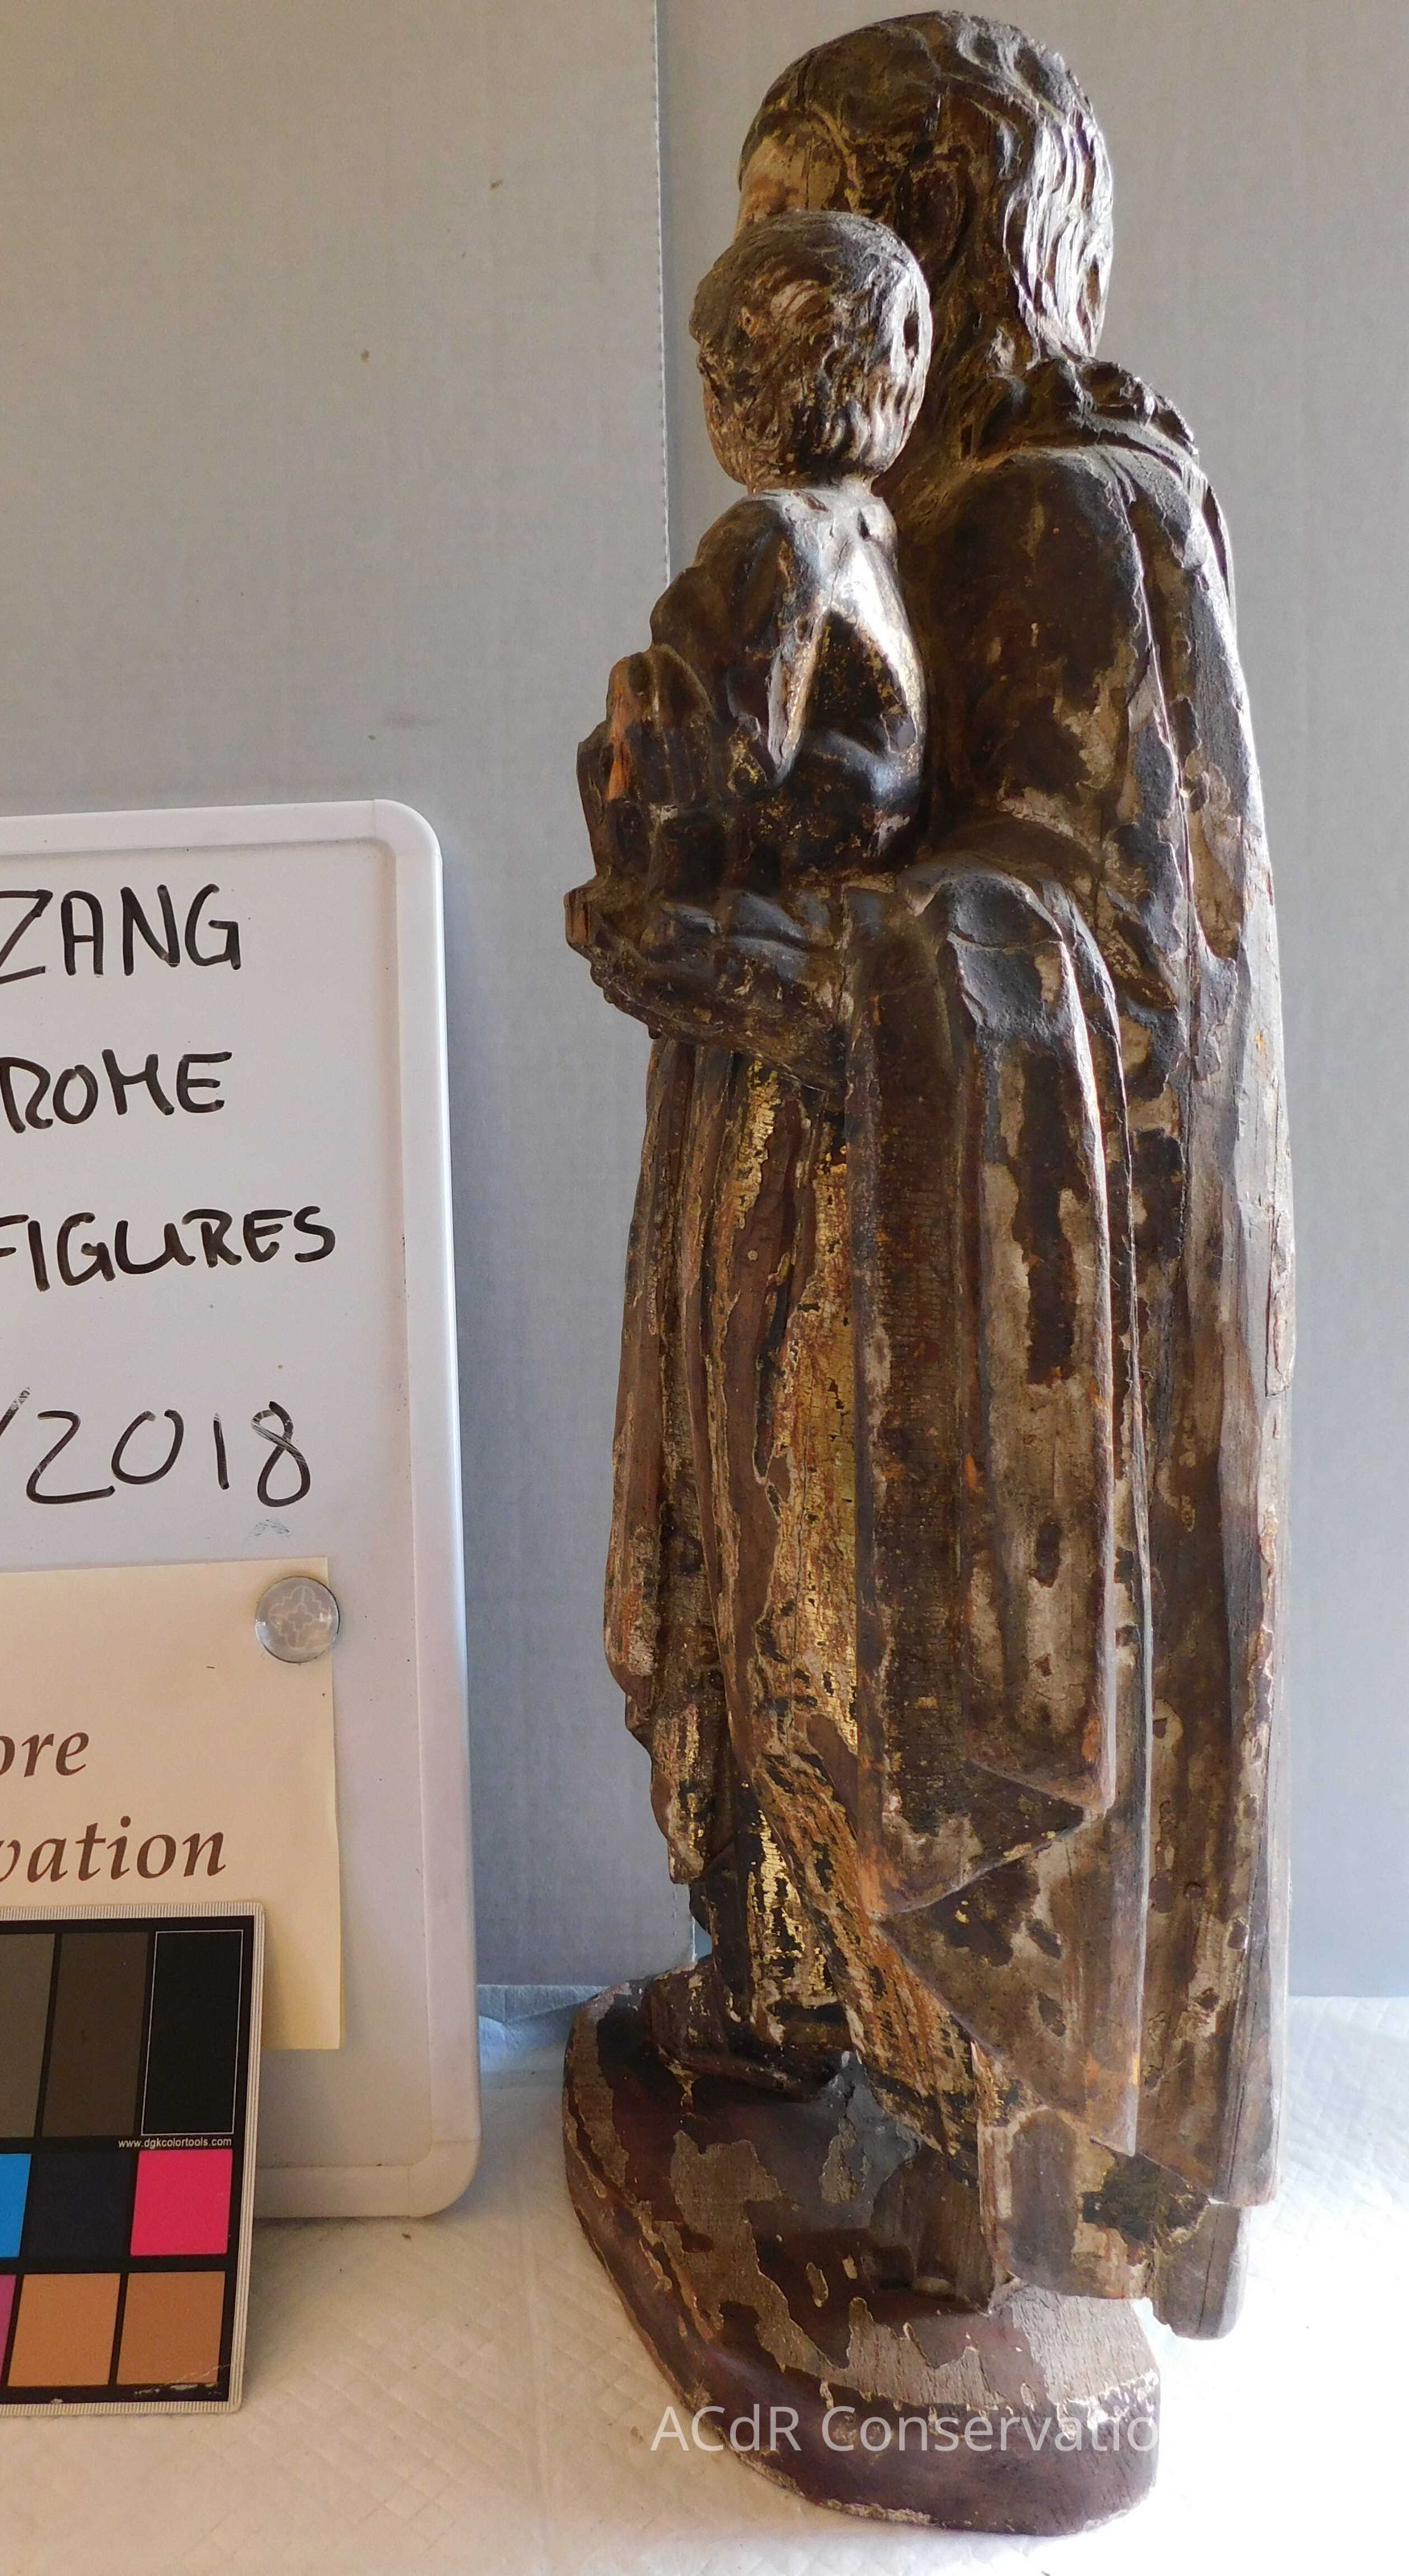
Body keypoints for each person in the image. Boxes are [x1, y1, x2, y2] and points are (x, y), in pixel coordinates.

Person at [568, 10, 1290, 2339]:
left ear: (948, 240)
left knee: (881, 1665)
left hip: (973, 1271)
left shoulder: (1062, 513)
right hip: (825, 1176)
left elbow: (1107, 951)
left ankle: (965, 2163)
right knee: (771, 1611)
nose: (779, 312)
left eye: (817, 234)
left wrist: (794, 954)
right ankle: (785, 1999)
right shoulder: (895, 521)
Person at [592, 208, 931, 906]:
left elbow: (744, 744)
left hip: (813, 828)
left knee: (608, 754)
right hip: (882, 811)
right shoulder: (867, 517)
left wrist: (643, 696)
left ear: (742, 390)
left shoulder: (778, 529)